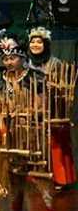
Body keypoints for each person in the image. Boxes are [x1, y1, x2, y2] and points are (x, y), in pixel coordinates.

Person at [0, 33, 67, 211]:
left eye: (13, 58)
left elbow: (40, 107)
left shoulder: (35, 78)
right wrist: (3, 129)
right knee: (14, 179)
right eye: (5, 58)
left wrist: (28, 113)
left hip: (32, 134)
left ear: (23, 57)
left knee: (41, 177)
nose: (9, 62)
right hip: (10, 136)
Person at [26, 27, 75, 189]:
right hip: (33, 108)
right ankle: (38, 174)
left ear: (46, 44)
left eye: (39, 42)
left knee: (55, 143)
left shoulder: (55, 63)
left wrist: (51, 87)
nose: (35, 45)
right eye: (32, 42)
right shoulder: (27, 64)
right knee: (35, 140)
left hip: (53, 109)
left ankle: (60, 178)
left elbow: (64, 86)